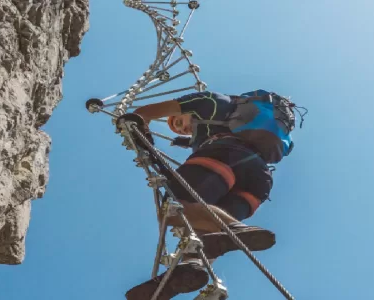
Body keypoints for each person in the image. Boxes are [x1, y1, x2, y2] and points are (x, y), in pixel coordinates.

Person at [124, 89, 298, 300]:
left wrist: (135, 126)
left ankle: (235, 229)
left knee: (174, 208)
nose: (184, 128)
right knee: (204, 231)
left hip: (226, 155)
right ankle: (192, 266)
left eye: (179, 122)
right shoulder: (228, 119)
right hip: (258, 180)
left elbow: (144, 113)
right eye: (182, 131)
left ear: (188, 111)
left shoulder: (210, 100)